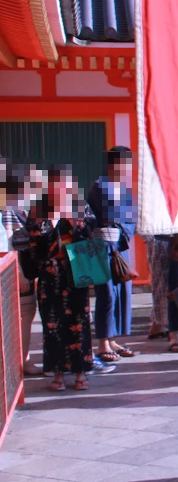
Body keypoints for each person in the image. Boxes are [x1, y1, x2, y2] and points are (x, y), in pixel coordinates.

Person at [20, 168, 95, 391]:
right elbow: (35, 248)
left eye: (65, 184)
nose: (61, 189)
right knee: (52, 325)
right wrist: (51, 227)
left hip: (76, 274)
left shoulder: (79, 206)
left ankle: (81, 373)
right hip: (50, 277)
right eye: (55, 184)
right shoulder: (39, 211)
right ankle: (58, 374)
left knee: (79, 324)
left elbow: (91, 233)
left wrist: (76, 225)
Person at [86, 146, 136, 360]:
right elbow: (107, 215)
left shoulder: (124, 190)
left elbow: (130, 219)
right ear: (113, 164)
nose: (126, 169)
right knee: (106, 294)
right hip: (101, 247)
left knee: (121, 293)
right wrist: (118, 222)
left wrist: (122, 228)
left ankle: (113, 339)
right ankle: (102, 343)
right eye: (122, 164)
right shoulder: (99, 186)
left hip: (119, 247)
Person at [2, 163, 43, 376]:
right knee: (23, 315)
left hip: (27, 268)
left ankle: (23, 359)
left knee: (27, 314)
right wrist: (18, 271)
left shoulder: (21, 206)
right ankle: (22, 362)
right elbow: (8, 241)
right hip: (18, 271)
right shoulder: (9, 208)